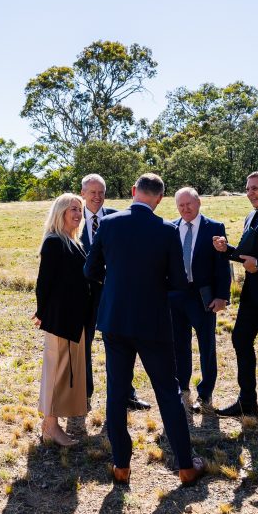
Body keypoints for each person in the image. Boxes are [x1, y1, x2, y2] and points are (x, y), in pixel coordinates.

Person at [84, 173, 207, 486]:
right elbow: (179, 282)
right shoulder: (166, 230)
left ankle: (121, 465)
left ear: (133, 191)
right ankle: (185, 465)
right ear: (160, 199)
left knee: (116, 392)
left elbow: (91, 269)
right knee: (167, 391)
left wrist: (117, 282)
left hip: (116, 320)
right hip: (153, 322)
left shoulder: (109, 224)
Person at [212, 171, 258, 425]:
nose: (250, 193)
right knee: (240, 339)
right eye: (247, 189)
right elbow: (247, 257)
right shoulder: (251, 216)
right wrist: (227, 250)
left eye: (255, 188)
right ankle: (247, 402)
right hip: (251, 295)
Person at [79, 174, 151, 413]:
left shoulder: (117, 217)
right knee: (84, 347)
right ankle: (83, 396)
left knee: (122, 346)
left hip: (115, 296)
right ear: (83, 194)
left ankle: (126, 394)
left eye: (101, 192)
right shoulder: (73, 218)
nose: (97, 197)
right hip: (84, 296)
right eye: (92, 192)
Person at [32, 193, 92, 447]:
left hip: (74, 318)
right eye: (72, 210)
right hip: (60, 319)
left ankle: (53, 424)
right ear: (60, 213)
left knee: (65, 372)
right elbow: (43, 283)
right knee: (56, 372)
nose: (78, 214)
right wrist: (42, 312)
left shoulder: (73, 242)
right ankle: (50, 426)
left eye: (80, 210)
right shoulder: (55, 242)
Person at [169, 187, 230, 413]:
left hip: (203, 297)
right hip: (175, 297)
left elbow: (222, 265)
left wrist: (222, 296)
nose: (185, 209)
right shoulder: (171, 228)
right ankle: (182, 388)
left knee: (207, 346)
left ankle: (205, 394)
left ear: (198, 203)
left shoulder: (214, 228)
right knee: (179, 345)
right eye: (181, 205)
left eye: (189, 204)